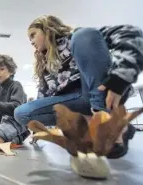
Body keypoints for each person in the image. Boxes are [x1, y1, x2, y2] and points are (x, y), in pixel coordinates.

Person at [14, 15, 143, 158]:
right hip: (74, 103)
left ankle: (104, 122)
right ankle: (117, 128)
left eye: (33, 35)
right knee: (21, 113)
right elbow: (43, 98)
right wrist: (41, 130)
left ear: (47, 29)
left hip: (100, 91)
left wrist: (121, 78)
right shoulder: (43, 65)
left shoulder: (76, 39)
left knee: (83, 35)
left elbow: (131, 33)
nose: (31, 41)